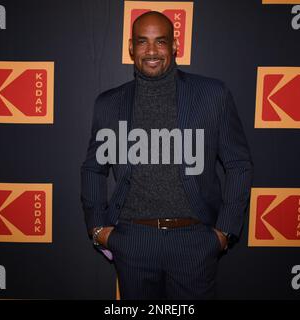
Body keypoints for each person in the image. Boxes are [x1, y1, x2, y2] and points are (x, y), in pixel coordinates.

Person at [81, 11, 253, 300]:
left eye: (160, 42)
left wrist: (224, 231)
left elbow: (238, 163)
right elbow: (93, 169)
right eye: (142, 42)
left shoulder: (212, 95)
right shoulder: (109, 104)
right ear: (130, 47)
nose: (151, 51)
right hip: (133, 241)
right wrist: (98, 229)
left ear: (174, 45)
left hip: (194, 241)